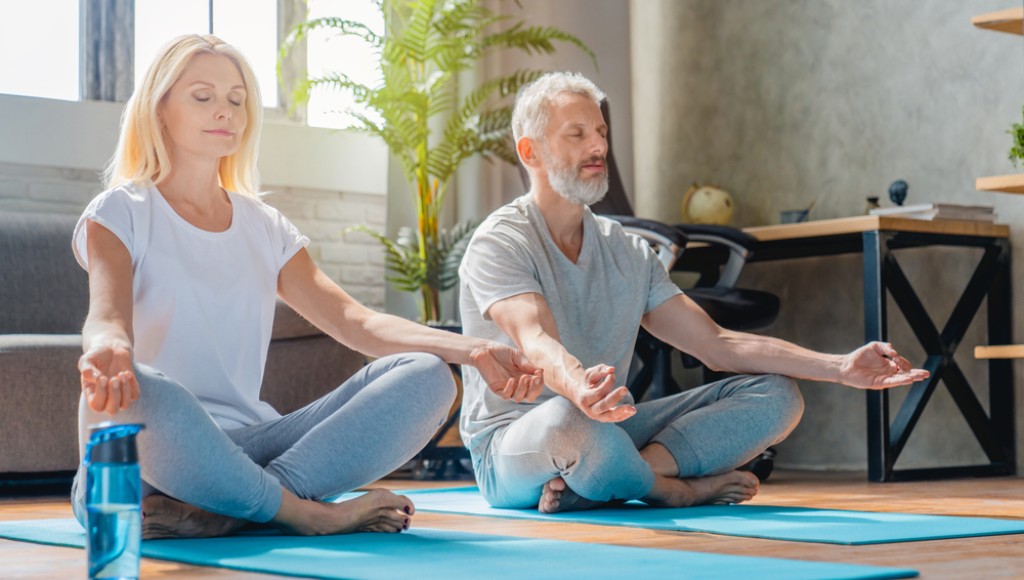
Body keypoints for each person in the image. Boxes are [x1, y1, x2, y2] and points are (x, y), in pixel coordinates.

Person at [71, 34, 542, 539]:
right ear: (159, 108)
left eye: (237, 99)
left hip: (250, 445)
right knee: (139, 395)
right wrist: (108, 347)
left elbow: (356, 323)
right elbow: (107, 315)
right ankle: (306, 512)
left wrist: (472, 350)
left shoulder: (264, 226)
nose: (225, 111)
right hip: (154, 455)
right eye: (203, 96)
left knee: (427, 376)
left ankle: (238, 508)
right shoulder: (122, 210)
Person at [457, 72, 930, 514]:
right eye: (577, 134)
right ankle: (670, 489)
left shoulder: (629, 251)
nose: (599, 144)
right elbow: (537, 341)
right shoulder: (502, 241)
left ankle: (609, 479)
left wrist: (840, 368)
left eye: (601, 131)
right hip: (516, 444)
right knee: (568, 421)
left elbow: (717, 344)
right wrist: (581, 388)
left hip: (608, 429)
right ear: (530, 151)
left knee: (779, 395)